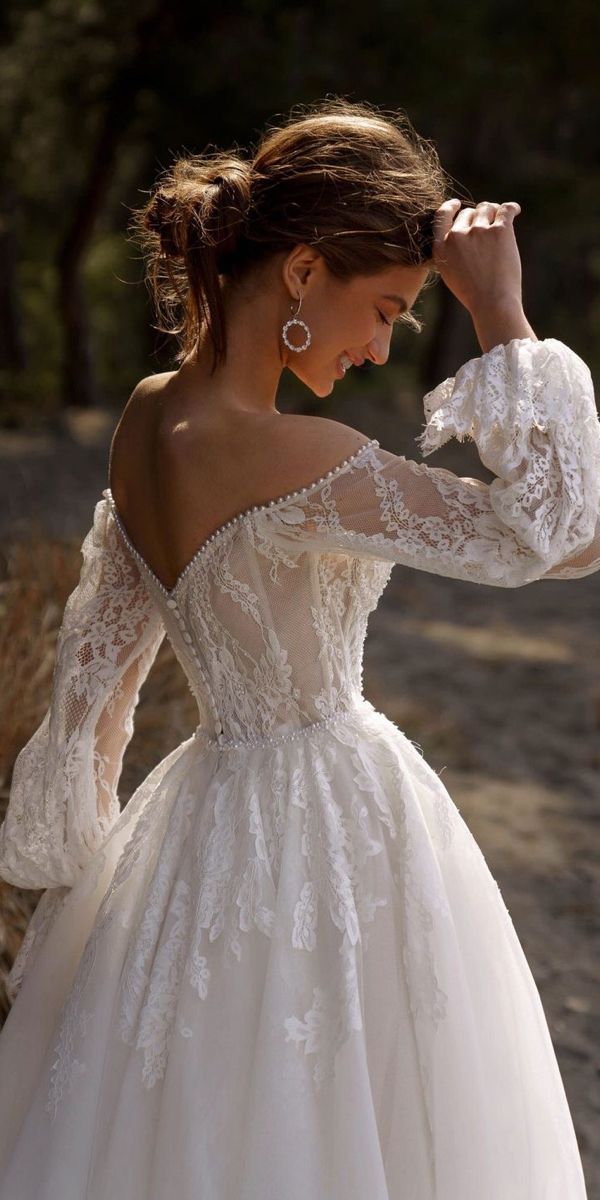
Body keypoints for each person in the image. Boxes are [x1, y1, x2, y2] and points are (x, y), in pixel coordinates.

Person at [0, 97, 597, 1200]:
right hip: (334, 824)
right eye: (384, 310)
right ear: (304, 271)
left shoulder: (143, 421)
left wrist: (86, 896)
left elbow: (99, 679)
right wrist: (503, 312)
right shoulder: (305, 459)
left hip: (190, 832)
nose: (380, 346)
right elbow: (562, 537)